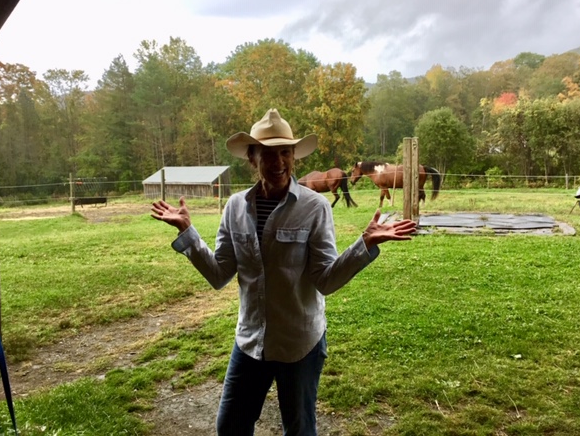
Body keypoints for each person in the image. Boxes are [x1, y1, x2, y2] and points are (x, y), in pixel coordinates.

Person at [151, 108, 417, 435]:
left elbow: (325, 280)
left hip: (299, 343)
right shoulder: (235, 207)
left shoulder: (314, 207)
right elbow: (219, 274)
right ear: (252, 159)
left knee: (300, 429)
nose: (278, 162)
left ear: (294, 157)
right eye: (267, 154)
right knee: (230, 426)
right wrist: (188, 234)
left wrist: (364, 244)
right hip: (250, 341)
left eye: (285, 153)